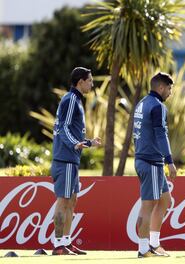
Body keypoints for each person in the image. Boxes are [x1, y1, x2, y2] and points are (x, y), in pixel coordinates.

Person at [51, 67, 101, 255]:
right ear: (80, 82)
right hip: (64, 160)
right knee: (63, 201)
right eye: (90, 81)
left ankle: (66, 242)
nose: (92, 84)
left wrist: (87, 143)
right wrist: (76, 144)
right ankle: (57, 245)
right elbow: (63, 128)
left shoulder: (76, 100)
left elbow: (71, 131)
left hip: (71, 160)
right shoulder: (71, 99)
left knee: (71, 201)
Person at [133, 72, 177, 258]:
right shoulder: (158, 106)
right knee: (148, 205)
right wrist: (170, 161)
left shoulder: (142, 102)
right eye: (169, 89)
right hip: (150, 161)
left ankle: (154, 243)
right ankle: (143, 249)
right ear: (160, 88)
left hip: (149, 161)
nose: (170, 93)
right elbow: (161, 135)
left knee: (165, 200)